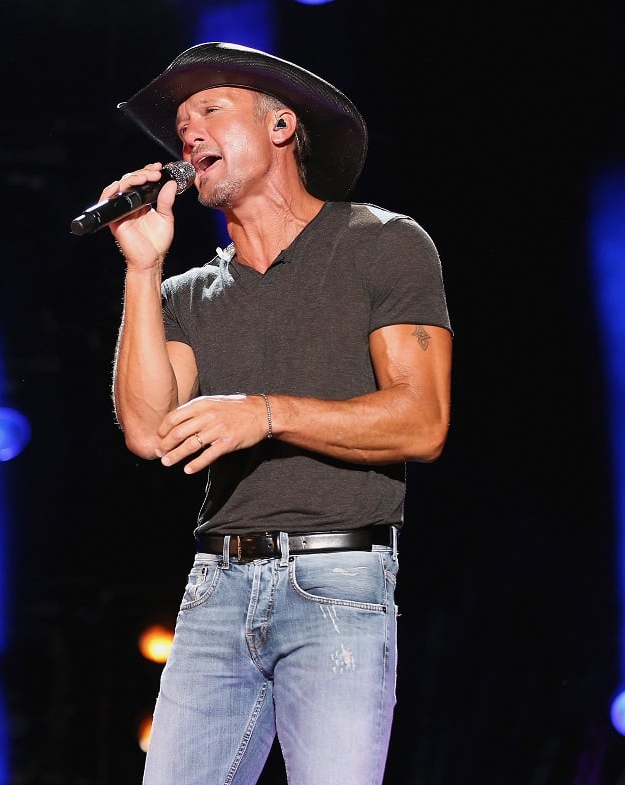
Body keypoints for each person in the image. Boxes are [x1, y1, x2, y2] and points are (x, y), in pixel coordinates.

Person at [101, 43, 452, 785]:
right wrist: (141, 268)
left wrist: (265, 413)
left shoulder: (382, 243)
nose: (188, 133)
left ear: (283, 125)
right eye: (181, 123)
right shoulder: (186, 293)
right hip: (215, 587)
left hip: (338, 579)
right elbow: (146, 429)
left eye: (211, 110)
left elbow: (422, 421)